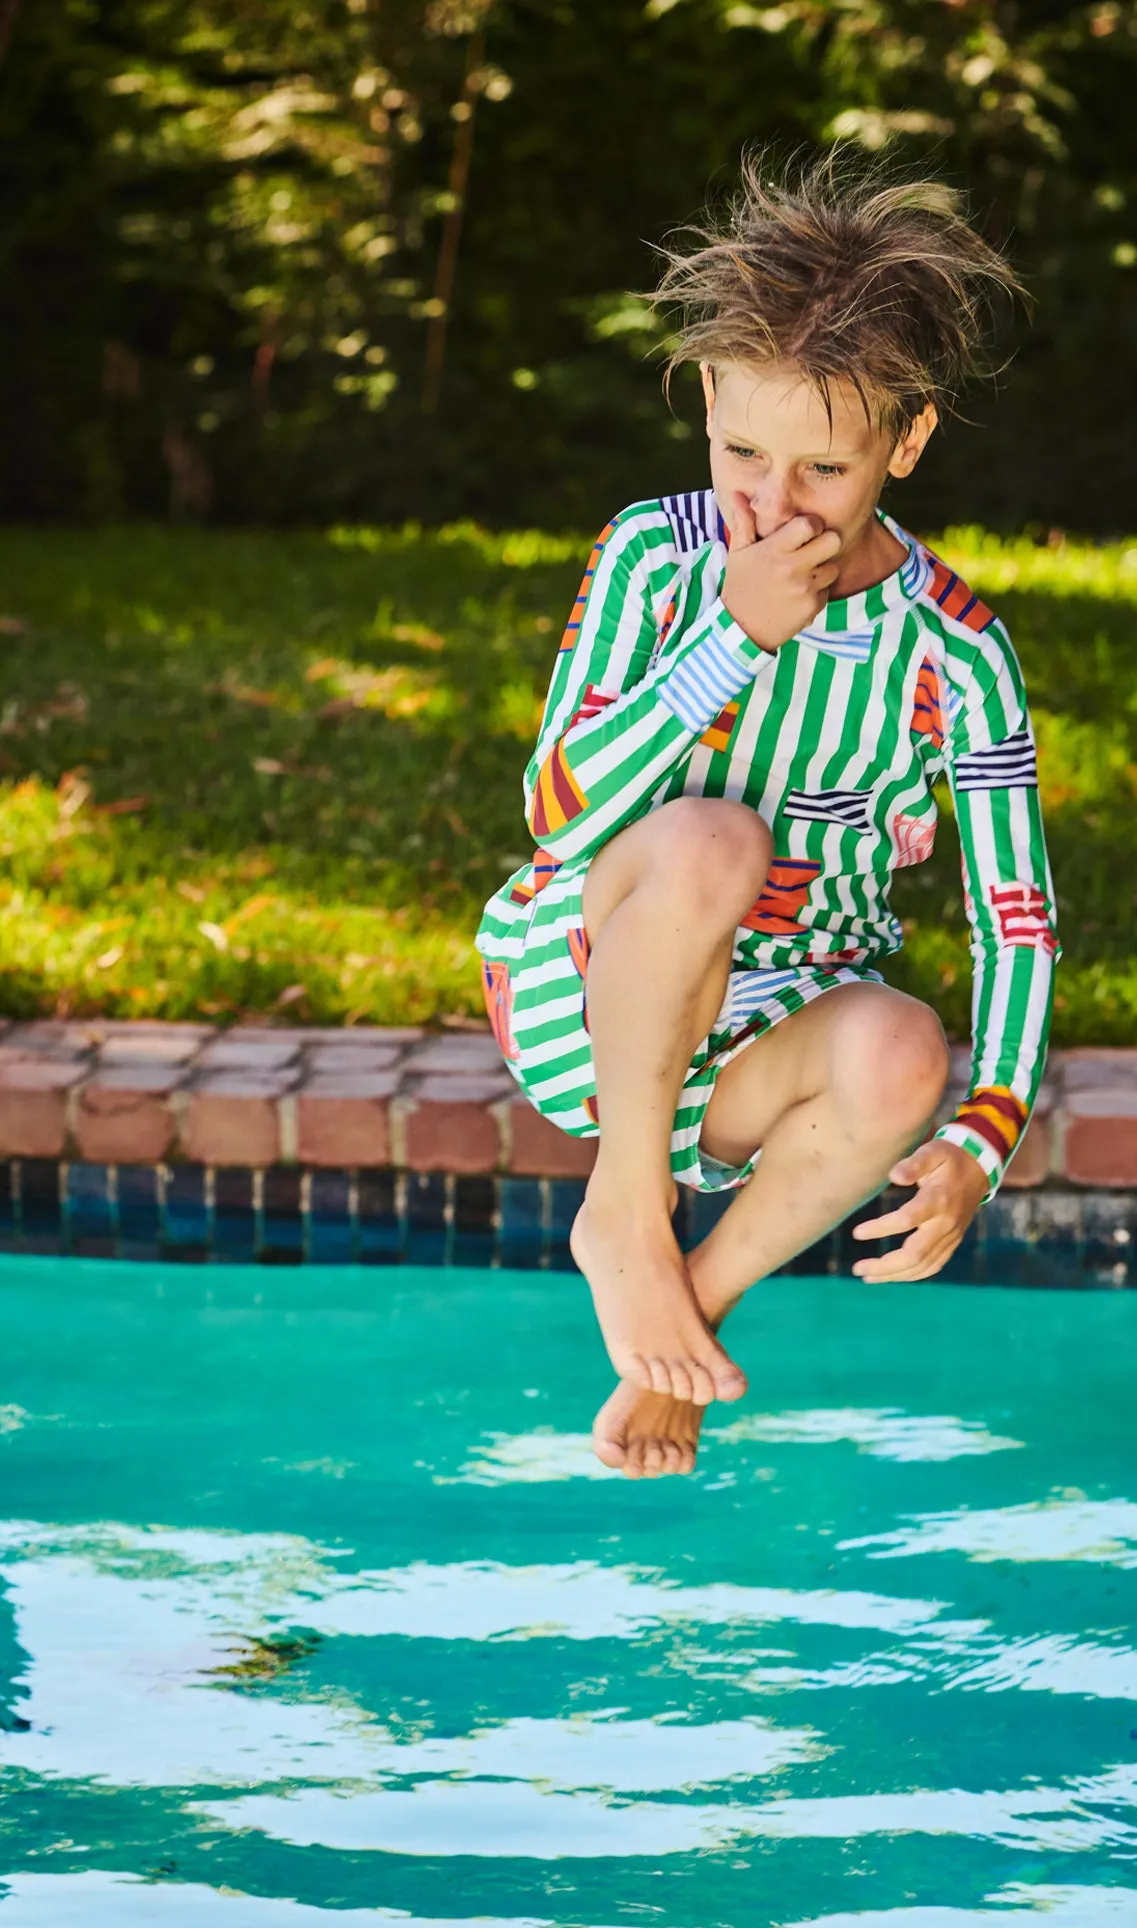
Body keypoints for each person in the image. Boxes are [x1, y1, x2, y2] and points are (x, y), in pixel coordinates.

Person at [476, 153, 1058, 1478]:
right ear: (702, 402)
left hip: (757, 1055)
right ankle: (624, 1204)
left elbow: (1014, 915)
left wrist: (987, 1132)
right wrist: (723, 644)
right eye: (743, 451)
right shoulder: (655, 557)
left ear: (906, 446)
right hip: (586, 986)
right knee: (710, 841)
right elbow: (558, 817)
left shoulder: (955, 652)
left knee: (909, 1050)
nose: (774, 505)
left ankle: (687, 1310)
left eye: (825, 469)